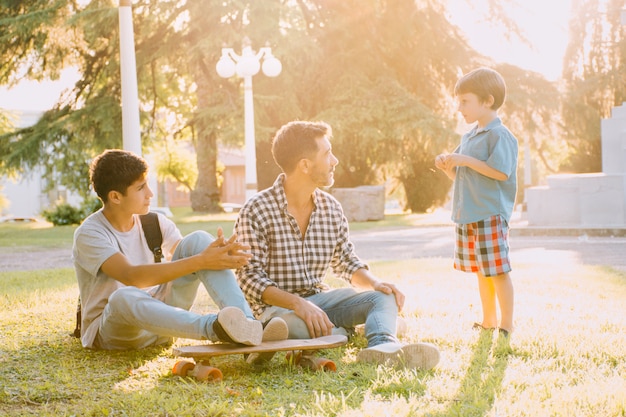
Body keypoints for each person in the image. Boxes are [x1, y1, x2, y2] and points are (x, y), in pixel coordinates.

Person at [234, 120, 440, 370]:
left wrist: (376, 283)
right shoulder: (256, 209)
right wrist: (299, 304)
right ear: (305, 165)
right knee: (291, 326)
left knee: (380, 299)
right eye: (327, 153)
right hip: (277, 311)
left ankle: (381, 345)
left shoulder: (331, 208)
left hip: (322, 301)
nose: (335, 161)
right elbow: (250, 279)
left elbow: (346, 261)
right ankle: (353, 330)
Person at [72, 149, 287, 350]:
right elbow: (131, 276)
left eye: (147, 184)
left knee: (198, 239)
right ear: (115, 197)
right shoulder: (90, 233)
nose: (150, 194)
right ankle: (217, 328)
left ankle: (248, 326)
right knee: (123, 297)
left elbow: (190, 258)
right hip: (116, 329)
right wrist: (202, 260)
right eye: (140, 188)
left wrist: (218, 255)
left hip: (161, 323)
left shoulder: (154, 222)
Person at [434, 67, 518, 337]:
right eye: (458, 101)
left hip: (490, 213)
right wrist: (447, 165)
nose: (459, 108)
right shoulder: (469, 136)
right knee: (483, 271)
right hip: (469, 214)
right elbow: (460, 175)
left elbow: (500, 172)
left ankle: (506, 324)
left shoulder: (500, 135)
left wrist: (464, 160)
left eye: (465, 101)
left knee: (498, 271)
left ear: (488, 101)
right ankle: (488, 320)